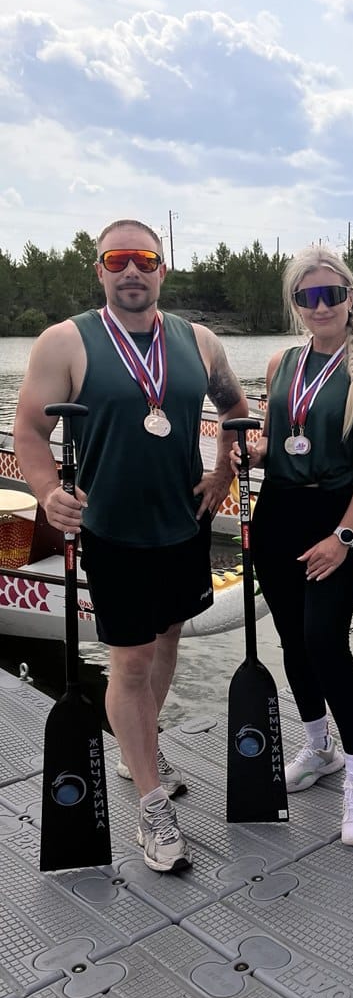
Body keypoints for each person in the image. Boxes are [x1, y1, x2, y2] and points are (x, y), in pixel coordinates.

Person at [14, 219, 248, 874]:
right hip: (113, 531)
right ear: (100, 270)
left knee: (168, 640)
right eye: (117, 260)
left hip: (185, 523)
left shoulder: (199, 341)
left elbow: (235, 408)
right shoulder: (65, 342)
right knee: (132, 662)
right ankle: (151, 806)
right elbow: (29, 431)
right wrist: (47, 492)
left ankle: (136, 748)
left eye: (144, 258)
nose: (131, 271)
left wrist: (224, 471)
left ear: (161, 269)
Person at [231, 247, 353, 846]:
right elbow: (276, 440)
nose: (320, 306)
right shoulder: (281, 363)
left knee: (326, 642)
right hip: (278, 513)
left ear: (350, 299)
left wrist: (345, 536)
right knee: (293, 641)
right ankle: (318, 745)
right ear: (297, 304)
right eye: (308, 297)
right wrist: (252, 453)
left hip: (335, 516)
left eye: (332, 295)